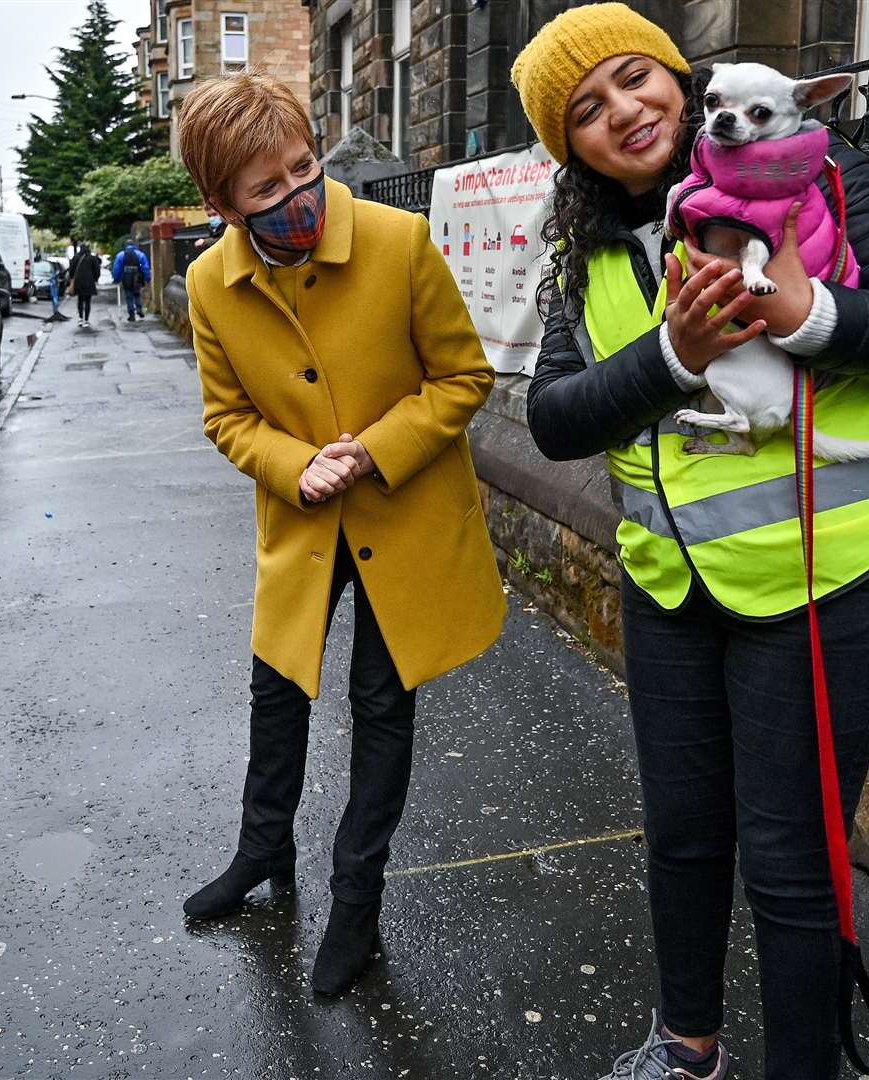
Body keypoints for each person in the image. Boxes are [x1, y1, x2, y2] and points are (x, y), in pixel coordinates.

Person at [510, 6, 869, 1078]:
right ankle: (687, 1050)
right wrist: (674, 359)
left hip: (833, 585)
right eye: (585, 109)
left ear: (683, 77)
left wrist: (813, 320)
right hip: (672, 591)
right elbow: (554, 418)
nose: (624, 110)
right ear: (567, 145)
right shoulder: (586, 249)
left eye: (637, 78)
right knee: (681, 837)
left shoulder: (820, 178)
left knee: (788, 861)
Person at [175, 73, 506, 997]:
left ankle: (355, 907)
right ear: (221, 205)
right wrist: (294, 464)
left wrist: (373, 450)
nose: (296, 197)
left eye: (304, 168)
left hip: (404, 517)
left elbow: (461, 378)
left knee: (380, 708)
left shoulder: (399, 239)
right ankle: (260, 854)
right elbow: (227, 417)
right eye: (265, 189)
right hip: (305, 526)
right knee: (274, 693)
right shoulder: (209, 281)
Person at [112, 240, 151, 320]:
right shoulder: (140, 255)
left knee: (129, 296)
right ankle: (139, 309)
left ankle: (131, 315)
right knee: (137, 294)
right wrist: (147, 278)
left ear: (125, 246)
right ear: (134, 245)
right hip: (137, 277)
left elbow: (117, 268)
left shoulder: (121, 255)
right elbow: (145, 267)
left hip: (126, 277)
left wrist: (117, 278)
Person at [70, 245, 100, 328]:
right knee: (87, 301)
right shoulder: (92, 258)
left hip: (78, 282)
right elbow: (97, 270)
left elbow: (71, 270)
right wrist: (95, 278)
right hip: (89, 282)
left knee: (80, 300)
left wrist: (72, 278)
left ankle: (80, 318)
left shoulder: (76, 258)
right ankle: (86, 320)